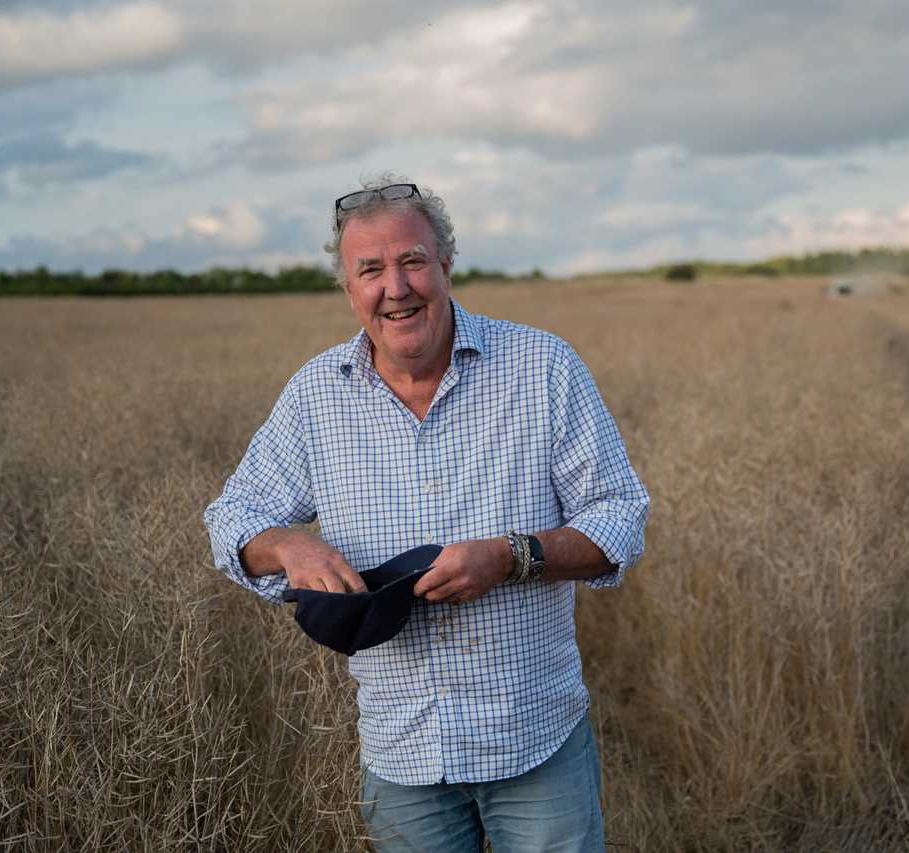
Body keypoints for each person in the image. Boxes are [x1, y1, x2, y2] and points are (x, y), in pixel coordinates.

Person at [203, 174, 649, 852]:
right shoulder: (316, 396)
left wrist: (512, 556)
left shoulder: (542, 367)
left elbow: (620, 517)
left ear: (445, 263)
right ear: (349, 290)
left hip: (534, 742)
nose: (396, 287)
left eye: (412, 260)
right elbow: (231, 516)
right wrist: (287, 546)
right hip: (403, 759)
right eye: (371, 270)